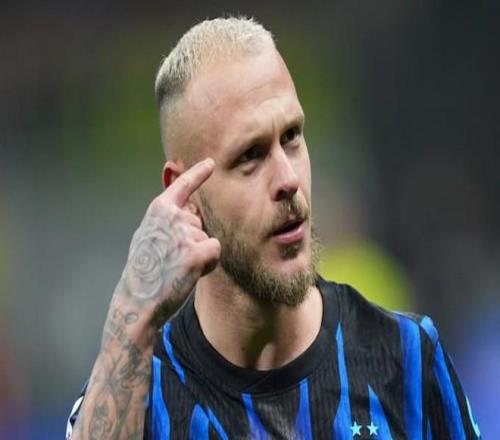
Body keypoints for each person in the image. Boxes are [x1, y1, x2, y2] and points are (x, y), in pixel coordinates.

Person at [66, 17, 481, 439]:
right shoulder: (142, 396)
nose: (288, 179)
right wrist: (130, 318)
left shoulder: (406, 358)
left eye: (292, 136)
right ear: (185, 193)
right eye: (250, 155)